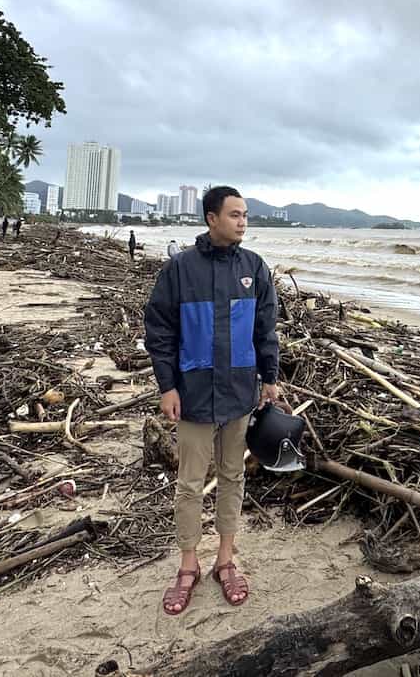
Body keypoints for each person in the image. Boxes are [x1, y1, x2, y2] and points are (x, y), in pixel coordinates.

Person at [144, 186, 279, 615]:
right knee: (189, 483)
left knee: (233, 476)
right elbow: (160, 331)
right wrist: (167, 386)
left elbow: (265, 330)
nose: (243, 221)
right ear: (211, 218)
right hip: (194, 396)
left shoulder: (254, 268)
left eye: (245, 215)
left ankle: (225, 558)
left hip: (239, 394)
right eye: (235, 214)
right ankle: (188, 566)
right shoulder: (180, 270)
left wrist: (270, 378)